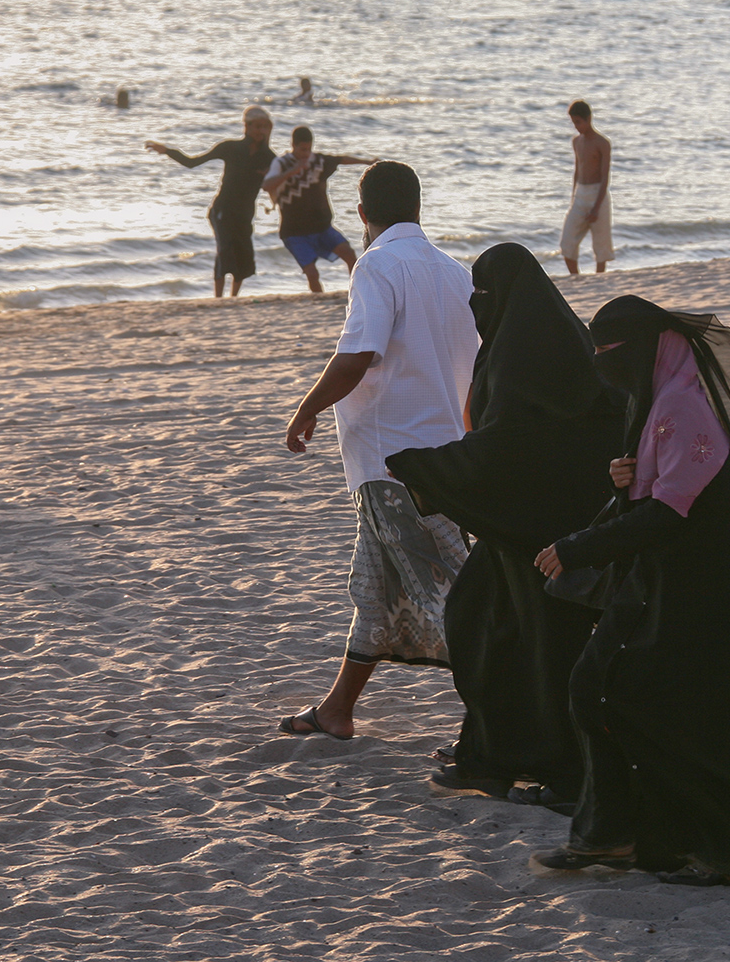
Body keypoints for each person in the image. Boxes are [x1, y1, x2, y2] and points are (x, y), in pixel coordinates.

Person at [531, 295, 730, 889]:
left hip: (706, 587)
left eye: (611, 351)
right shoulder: (660, 402)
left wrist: (577, 548)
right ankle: (617, 834)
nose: (602, 363)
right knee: (604, 687)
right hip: (669, 579)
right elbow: (665, 492)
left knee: (673, 705)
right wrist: (628, 479)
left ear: (650, 348)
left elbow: (669, 515)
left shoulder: (683, 408)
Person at [386, 244, 624, 808]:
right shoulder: (538, 344)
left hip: (550, 537)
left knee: (545, 651)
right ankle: (489, 756)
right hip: (520, 529)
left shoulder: (528, 359)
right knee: (475, 622)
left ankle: (566, 776)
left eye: (485, 295)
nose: (476, 305)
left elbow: (509, 449)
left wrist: (422, 467)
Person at [281, 161, 479, 740]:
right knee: (373, 589)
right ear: (418, 207)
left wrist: (307, 407)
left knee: (445, 595)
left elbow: (357, 355)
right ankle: (337, 710)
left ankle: (510, 715)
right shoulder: (454, 271)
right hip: (443, 454)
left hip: (395, 461)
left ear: (362, 214)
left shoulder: (377, 265)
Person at [145, 106, 275, 298]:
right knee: (224, 250)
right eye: (257, 126)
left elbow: (278, 184)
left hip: (245, 212)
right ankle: (218, 298)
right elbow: (192, 162)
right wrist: (167, 151)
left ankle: (233, 298)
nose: (261, 131)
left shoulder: (269, 158)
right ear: (246, 127)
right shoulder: (230, 147)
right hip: (222, 210)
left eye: (265, 127)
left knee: (243, 253)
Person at [263, 126, 374, 293]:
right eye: (302, 149)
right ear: (293, 145)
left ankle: (358, 293)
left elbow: (340, 159)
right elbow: (266, 185)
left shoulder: (318, 161)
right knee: (312, 273)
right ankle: (318, 299)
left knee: (349, 254)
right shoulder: (281, 163)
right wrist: (292, 172)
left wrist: (367, 162)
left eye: (308, 149)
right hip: (294, 231)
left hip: (321, 227)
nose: (306, 154)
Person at [560, 100, 614, 276]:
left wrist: (596, 207)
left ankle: (599, 279)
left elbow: (605, 176)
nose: (576, 126)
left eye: (579, 122)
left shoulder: (602, 143)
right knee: (567, 243)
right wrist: (573, 196)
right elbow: (577, 170)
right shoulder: (576, 141)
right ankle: (575, 278)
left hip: (598, 193)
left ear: (588, 118)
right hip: (581, 194)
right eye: (574, 122)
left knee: (601, 245)